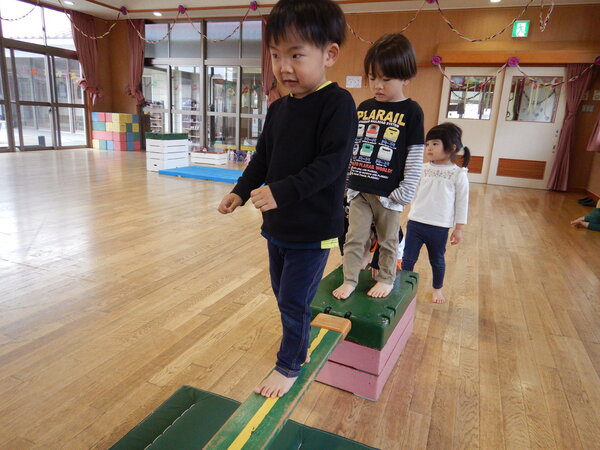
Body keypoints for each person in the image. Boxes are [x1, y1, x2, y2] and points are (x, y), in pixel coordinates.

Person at [217, 0, 356, 398]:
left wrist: (281, 191)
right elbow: (263, 158)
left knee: (294, 299)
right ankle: (298, 342)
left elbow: (332, 164)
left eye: (296, 55)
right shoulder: (279, 109)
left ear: (329, 54)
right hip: (277, 227)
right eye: (276, 55)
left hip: (314, 230)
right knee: (285, 296)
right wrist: (240, 191)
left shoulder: (338, 103)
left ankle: (290, 363)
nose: (283, 66)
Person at [333, 33, 424, 300]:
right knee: (353, 238)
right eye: (373, 78)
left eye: (386, 79)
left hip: (388, 194)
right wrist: (346, 182)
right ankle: (350, 278)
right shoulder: (364, 107)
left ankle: (386, 277)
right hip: (359, 188)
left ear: (406, 77)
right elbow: (354, 146)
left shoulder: (412, 111)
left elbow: (415, 155)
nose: (377, 85)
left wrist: (404, 191)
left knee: (388, 240)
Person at [401, 122, 471, 304]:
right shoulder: (422, 168)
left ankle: (437, 289)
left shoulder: (458, 174)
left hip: (439, 227)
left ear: (452, 148)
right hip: (416, 222)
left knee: (437, 260)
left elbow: (462, 202)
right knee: (408, 259)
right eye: (427, 144)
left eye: (435, 144)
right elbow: (412, 192)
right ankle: (403, 288)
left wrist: (459, 228)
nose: (429, 148)